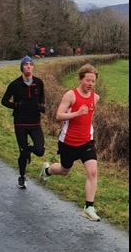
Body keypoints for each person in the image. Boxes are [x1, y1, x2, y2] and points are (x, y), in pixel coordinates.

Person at [39, 63, 101, 222]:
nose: (90, 84)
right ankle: (47, 170)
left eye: (93, 81)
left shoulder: (95, 97)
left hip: (86, 141)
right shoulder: (70, 95)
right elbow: (59, 116)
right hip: (68, 142)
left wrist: (89, 131)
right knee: (65, 170)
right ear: (80, 79)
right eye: (88, 80)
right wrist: (76, 113)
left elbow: (89, 118)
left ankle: (88, 207)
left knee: (92, 172)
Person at [1, 55, 46, 189]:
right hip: (20, 123)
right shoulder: (15, 85)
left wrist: (42, 106)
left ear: (33, 67)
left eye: (30, 64)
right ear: (22, 68)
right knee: (23, 153)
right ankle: (22, 176)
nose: (28, 67)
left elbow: (42, 98)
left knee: (40, 150)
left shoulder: (38, 82)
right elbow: (4, 101)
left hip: (35, 123)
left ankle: (29, 151)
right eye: (25, 65)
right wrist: (15, 105)